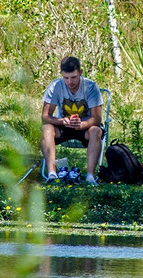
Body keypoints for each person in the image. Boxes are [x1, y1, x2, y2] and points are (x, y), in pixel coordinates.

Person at [41, 56, 104, 185]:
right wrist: (61, 121)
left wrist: (81, 124)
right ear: (62, 75)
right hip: (64, 125)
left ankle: (90, 176)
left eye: (74, 77)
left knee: (96, 131)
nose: (70, 82)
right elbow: (45, 116)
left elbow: (97, 119)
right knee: (46, 128)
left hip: (85, 126)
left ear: (80, 73)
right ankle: (52, 173)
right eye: (66, 78)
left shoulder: (90, 86)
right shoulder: (56, 86)